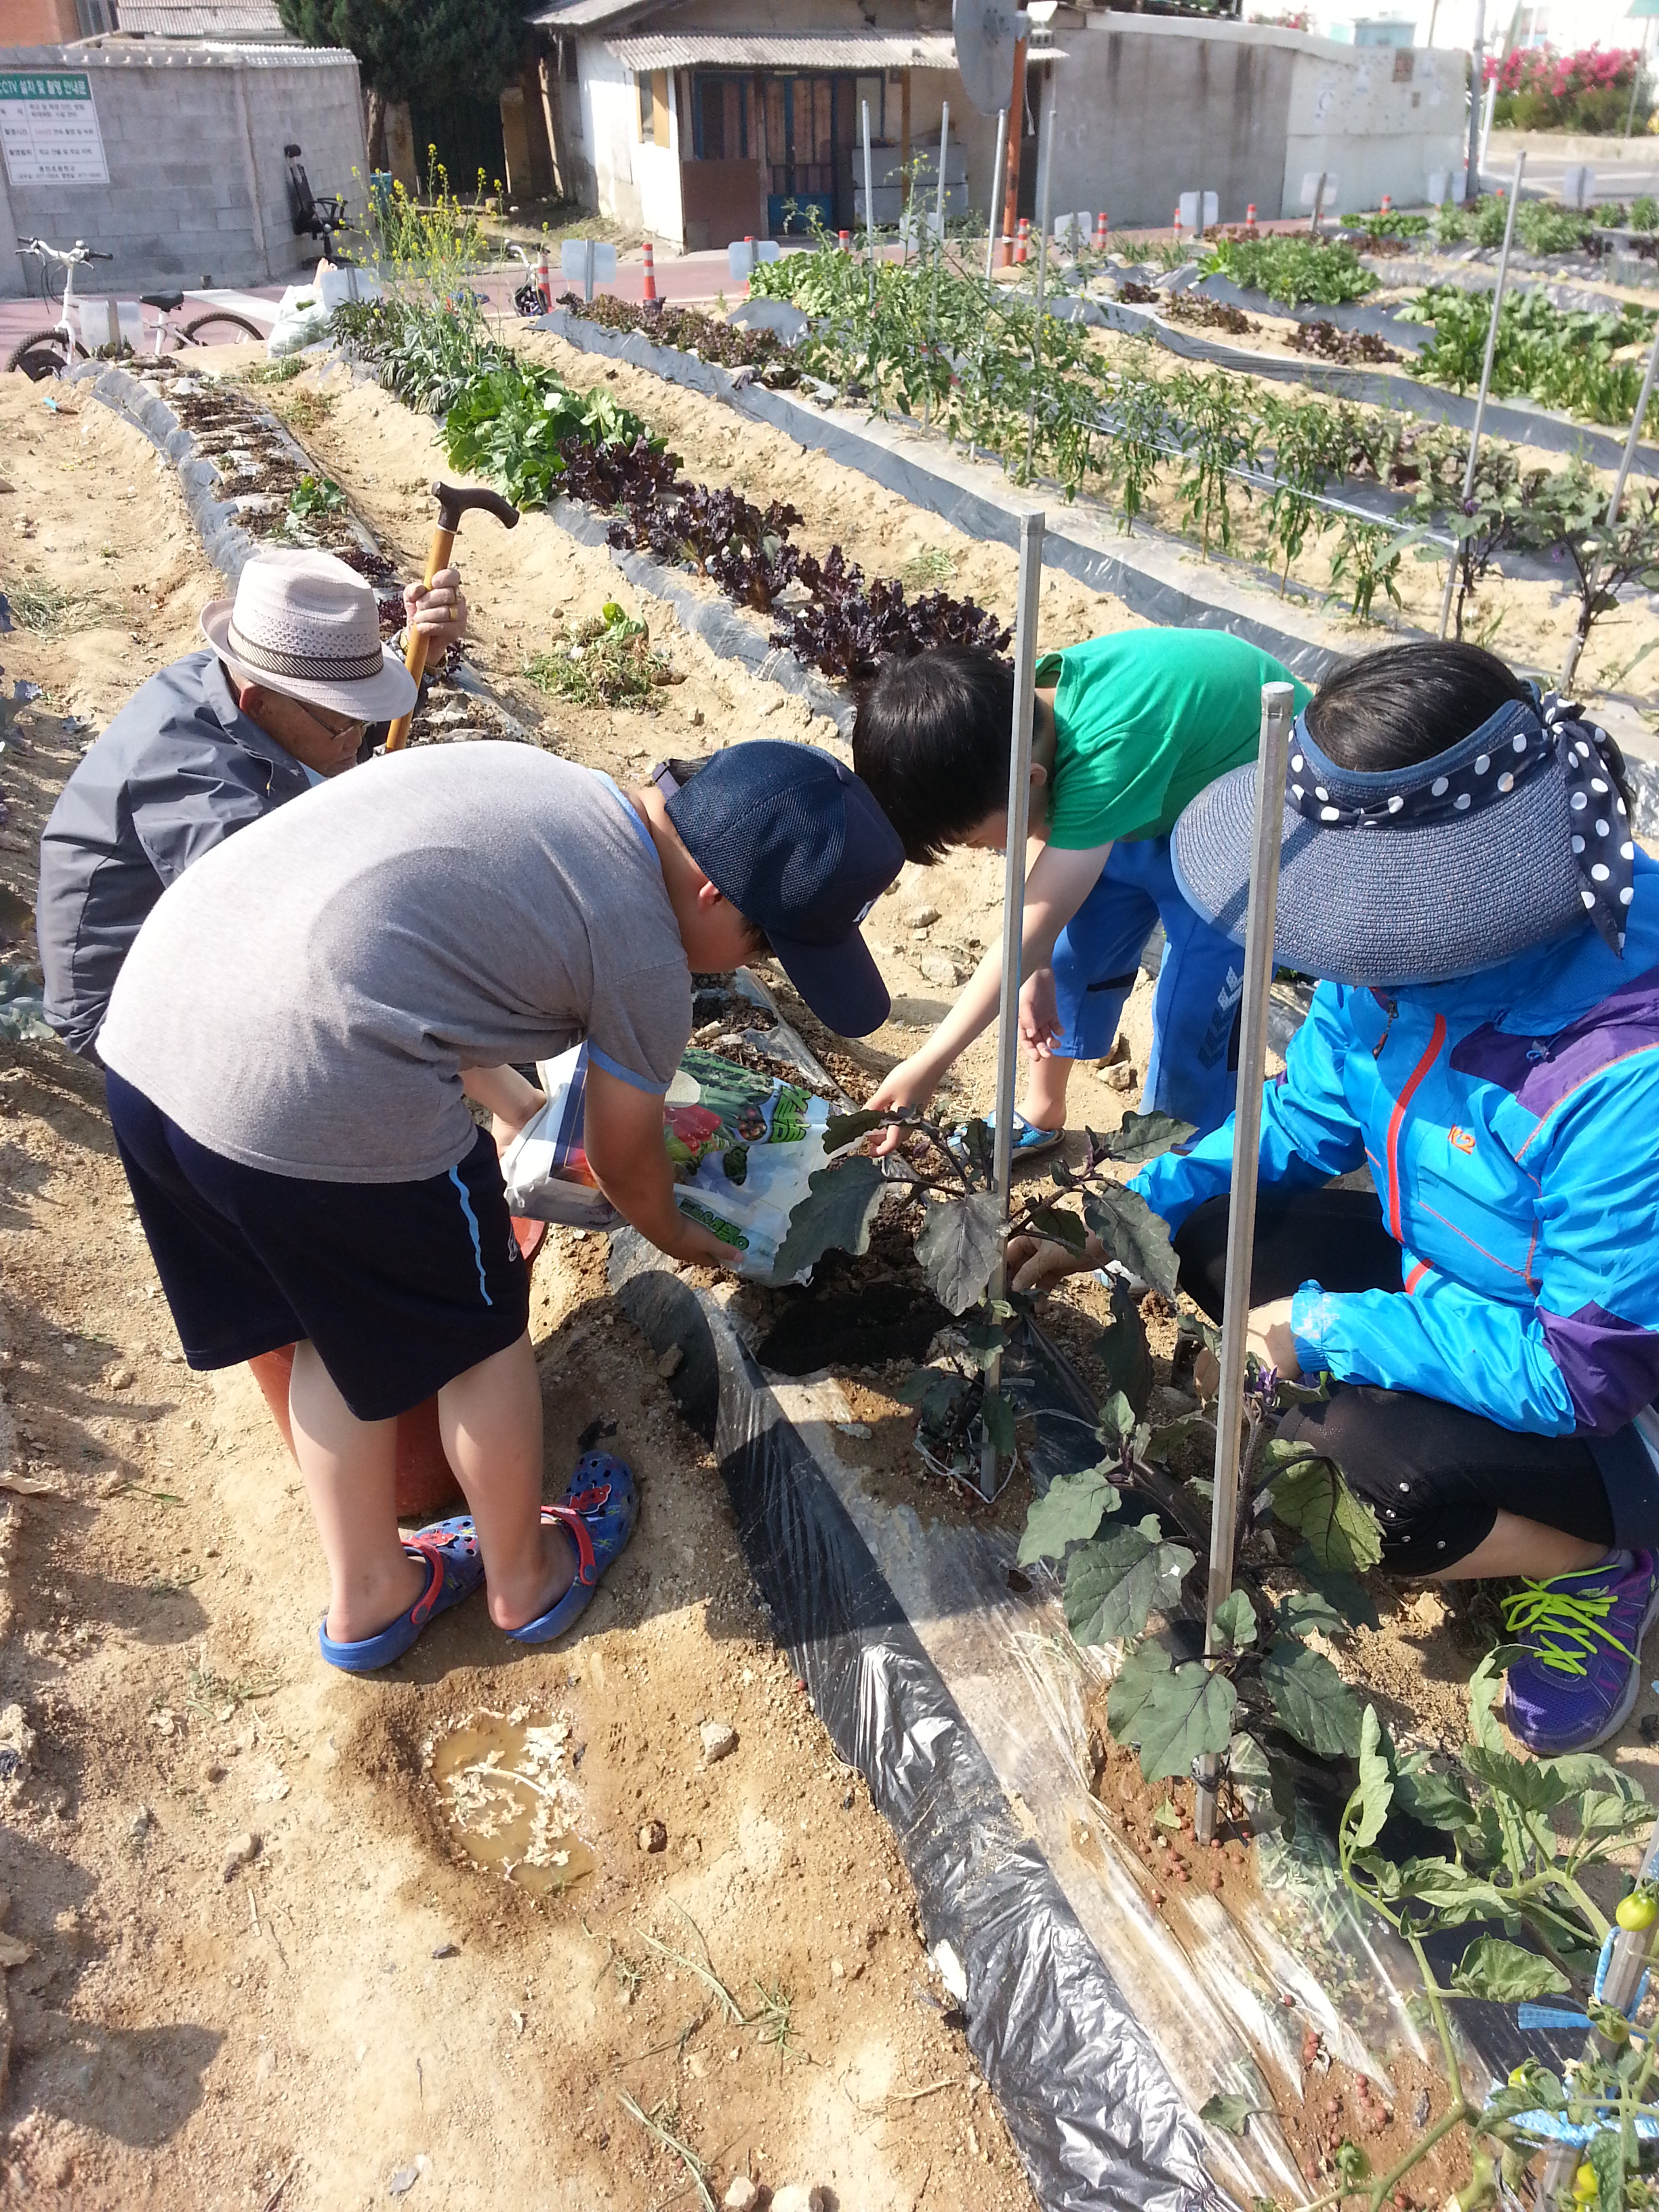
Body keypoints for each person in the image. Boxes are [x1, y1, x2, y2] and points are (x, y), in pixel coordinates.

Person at [95, 735, 903, 1674]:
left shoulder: (549, 788)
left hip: (158, 1041)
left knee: (321, 1329)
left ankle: (371, 1594)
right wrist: (690, 1238)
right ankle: (529, 1575)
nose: (757, 963)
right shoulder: (646, 952)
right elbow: (623, 1162)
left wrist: (517, 1107)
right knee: (479, 1339)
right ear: (716, 892)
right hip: (307, 1090)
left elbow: (395, 947)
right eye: (769, 943)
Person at [1010, 641, 1659, 1756]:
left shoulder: (1618, 1070)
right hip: (1456, 1278)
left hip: (1613, 1391)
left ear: (1459, 895)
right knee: (1206, 1237)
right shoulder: (1394, 967)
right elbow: (1302, 1122)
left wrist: (1330, 1324)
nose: (1344, 951)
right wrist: (1123, 1217)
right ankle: (1498, 1497)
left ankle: (1607, 1557)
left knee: (1356, 1473)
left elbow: (1583, 1367)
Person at [853, 630, 1311, 1154]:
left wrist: (927, 1064)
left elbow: (1029, 922)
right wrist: (1040, 961)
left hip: (1252, 813)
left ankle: (1186, 1156)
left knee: (1195, 1004)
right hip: (1162, 788)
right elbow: (1042, 893)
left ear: (1030, 779)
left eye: (976, 841)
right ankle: (1042, 1107)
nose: (982, 852)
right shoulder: (1020, 719)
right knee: (1074, 949)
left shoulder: (1107, 752)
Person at [37, 547, 468, 1059]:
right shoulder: (196, 783)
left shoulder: (243, 682)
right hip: (120, 1008)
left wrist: (420, 653)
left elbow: (322, 715)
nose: (359, 736)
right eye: (345, 722)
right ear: (259, 703)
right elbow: (291, 940)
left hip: (186, 947)